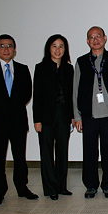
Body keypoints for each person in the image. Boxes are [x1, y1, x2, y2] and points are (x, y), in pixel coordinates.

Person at [0, 34, 38, 206]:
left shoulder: (22, 69)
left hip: (18, 121)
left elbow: (27, 93)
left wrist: (13, 108)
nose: (6, 49)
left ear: (15, 50)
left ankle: (22, 188)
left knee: (20, 157)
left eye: (9, 46)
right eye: (2, 46)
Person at [73, 26, 108, 199]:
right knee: (90, 152)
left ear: (105, 38)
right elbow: (75, 91)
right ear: (87, 41)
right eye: (91, 37)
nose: (95, 39)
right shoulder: (81, 61)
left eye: (98, 36)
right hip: (88, 115)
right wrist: (77, 116)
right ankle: (91, 185)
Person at [33, 34, 74, 201]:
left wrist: (72, 116)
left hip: (64, 115)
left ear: (65, 49)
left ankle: (61, 186)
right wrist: (37, 120)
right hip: (46, 116)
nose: (58, 50)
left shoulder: (69, 69)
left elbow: (71, 95)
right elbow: (37, 96)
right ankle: (50, 188)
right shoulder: (41, 68)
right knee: (47, 152)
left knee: (62, 151)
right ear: (48, 48)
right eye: (54, 46)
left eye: (61, 46)